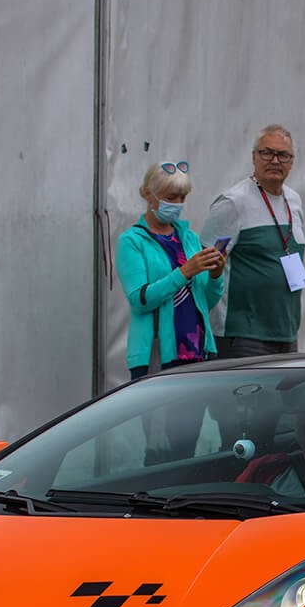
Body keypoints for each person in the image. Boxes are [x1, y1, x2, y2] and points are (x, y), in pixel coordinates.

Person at [114, 160, 223, 459]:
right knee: (159, 448)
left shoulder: (189, 238)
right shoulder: (131, 241)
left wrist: (216, 275)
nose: (177, 204)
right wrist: (184, 272)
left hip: (196, 351)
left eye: (182, 197)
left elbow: (206, 300)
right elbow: (140, 299)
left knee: (187, 444)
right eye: (170, 197)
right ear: (147, 195)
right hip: (158, 353)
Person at [200, 126, 305, 358]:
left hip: (287, 333)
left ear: (292, 162)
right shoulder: (232, 202)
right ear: (253, 157)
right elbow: (203, 265)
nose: (275, 160)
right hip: (243, 335)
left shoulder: (294, 201)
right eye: (267, 153)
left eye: (283, 155)